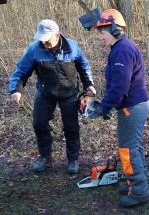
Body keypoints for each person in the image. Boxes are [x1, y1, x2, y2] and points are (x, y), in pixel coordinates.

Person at [9, 19, 95, 174]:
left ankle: (73, 159)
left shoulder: (72, 47)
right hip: (45, 93)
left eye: (47, 39)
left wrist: (88, 84)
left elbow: (84, 66)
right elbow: (21, 71)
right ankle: (44, 157)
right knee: (39, 124)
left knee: (71, 127)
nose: (44, 43)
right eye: (42, 39)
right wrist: (16, 89)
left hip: (69, 93)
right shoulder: (34, 50)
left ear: (57, 34)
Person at [90, 9, 149, 207]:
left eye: (102, 33)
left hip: (131, 107)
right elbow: (117, 85)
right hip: (132, 105)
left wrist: (104, 107)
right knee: (132, 147)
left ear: (115, 30)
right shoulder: (120, 48)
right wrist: (107, 105)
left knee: (128, 149)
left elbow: (120, 87)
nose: (101, 37)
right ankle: (132, 183)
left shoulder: (122, 50)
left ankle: (140, 191)